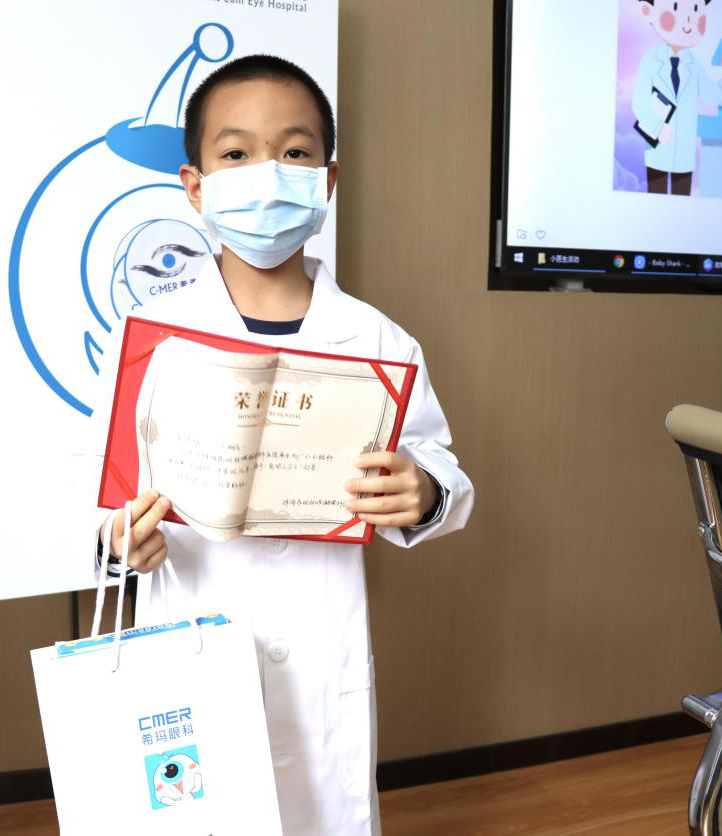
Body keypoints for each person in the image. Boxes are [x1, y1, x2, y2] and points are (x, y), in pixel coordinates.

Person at [80, 54, 474, 835]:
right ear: (195, 186)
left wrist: (423, 490)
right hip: (190, 644)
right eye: (236, 153)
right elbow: (97, 496)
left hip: (323, 661)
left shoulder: (378, 341)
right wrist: (118, 543)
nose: (266, 175)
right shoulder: (149, 340)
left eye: (294, 152)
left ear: (326, 181)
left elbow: (441, 471)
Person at [633, 0, 722, 195]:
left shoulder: (693, 63)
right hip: (658, 148)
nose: (688, 20)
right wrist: (657, 127)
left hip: (684, 152)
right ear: (650, 11)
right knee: (655, 198)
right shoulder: (650, 59)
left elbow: (709, 95)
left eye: (696, 10)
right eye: (676, 8)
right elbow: (639, 102)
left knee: (682, 201)